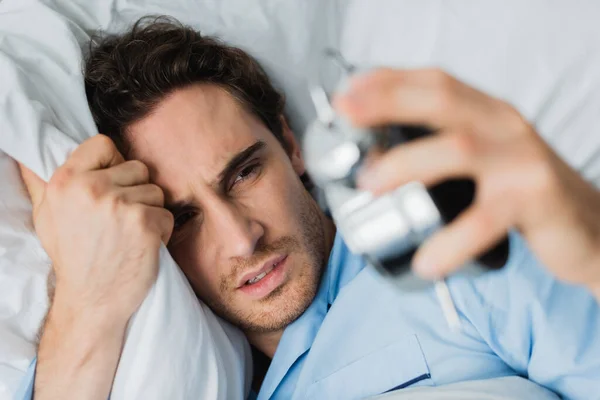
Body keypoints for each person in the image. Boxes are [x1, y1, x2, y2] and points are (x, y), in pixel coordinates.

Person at [16, 17, 600, 400]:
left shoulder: (448, 255)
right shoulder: (192, 375)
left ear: (291, 145)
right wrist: (88, 306)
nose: (241, 239)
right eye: (186, 217)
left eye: (244, 173)